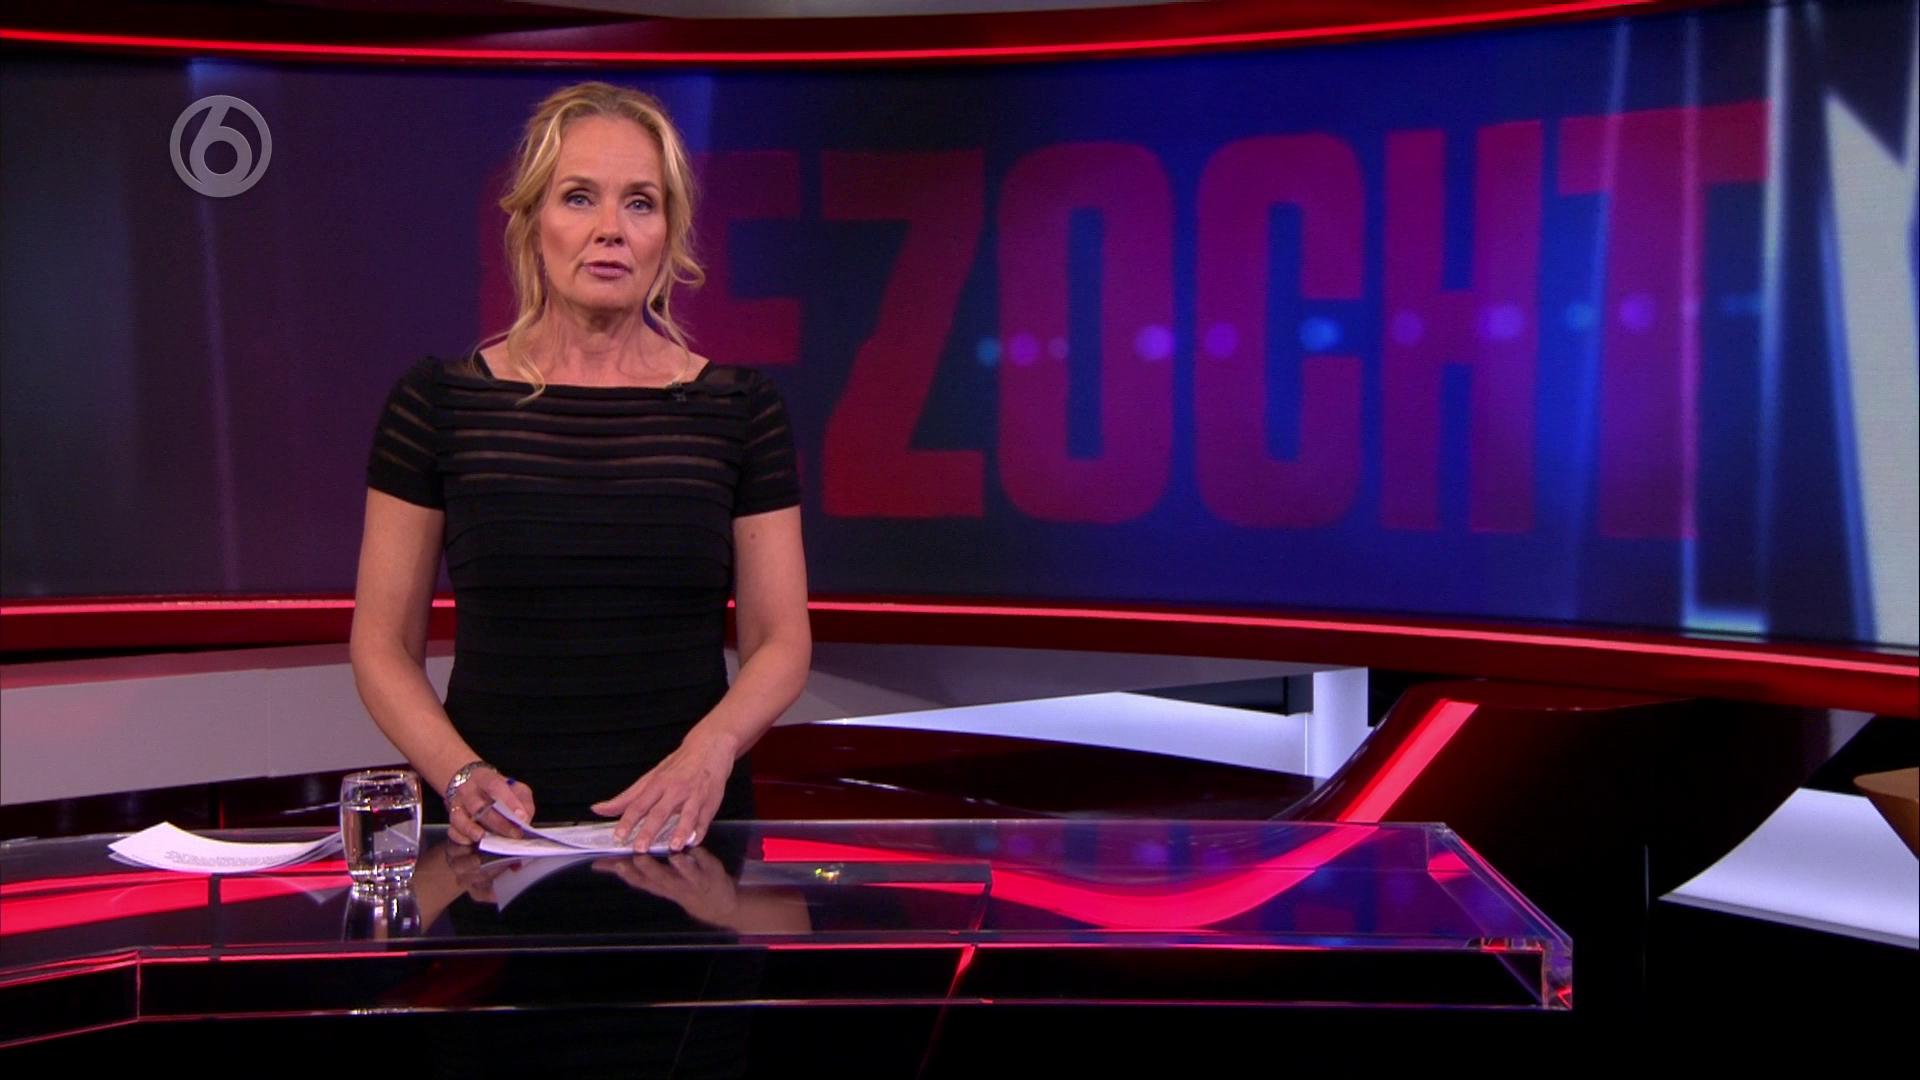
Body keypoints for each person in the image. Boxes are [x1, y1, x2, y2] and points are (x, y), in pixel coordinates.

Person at [350, 81, 809, 855]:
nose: (610, 231)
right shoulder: (437, 402)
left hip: (687, 836)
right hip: (492, 845)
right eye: (579, 198)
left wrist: (711, 753)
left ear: (669, 232)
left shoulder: (739, 409)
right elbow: (382, 644)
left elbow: (781, 640)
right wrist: (458, 776)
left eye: (640, 203)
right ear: (532, 222)